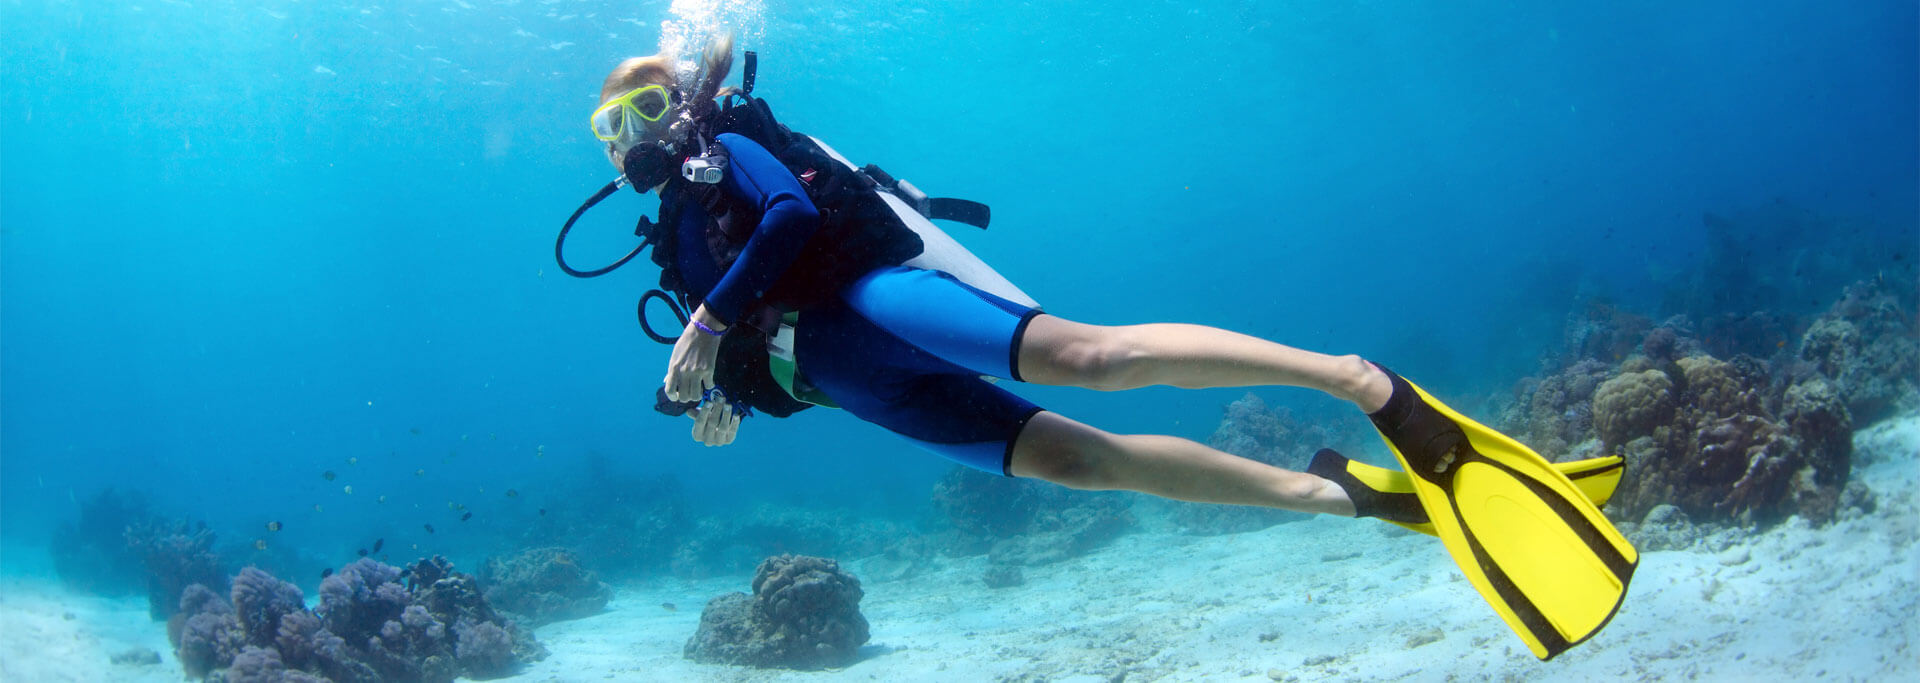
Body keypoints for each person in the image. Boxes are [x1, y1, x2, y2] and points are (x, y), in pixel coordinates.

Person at [573, 36, 1635, 660]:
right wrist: (730, 397)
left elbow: (793, 223)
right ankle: (1345, 496)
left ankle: (1360, 380)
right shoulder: (669, 236)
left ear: (684, 103)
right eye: (613, 129)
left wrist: (707, 327)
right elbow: (744, 336)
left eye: (648, 108)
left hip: (880, 304)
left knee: (1095, 358)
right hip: (858, 384)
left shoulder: (730, 144)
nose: (635, 138)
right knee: (1090, 463)